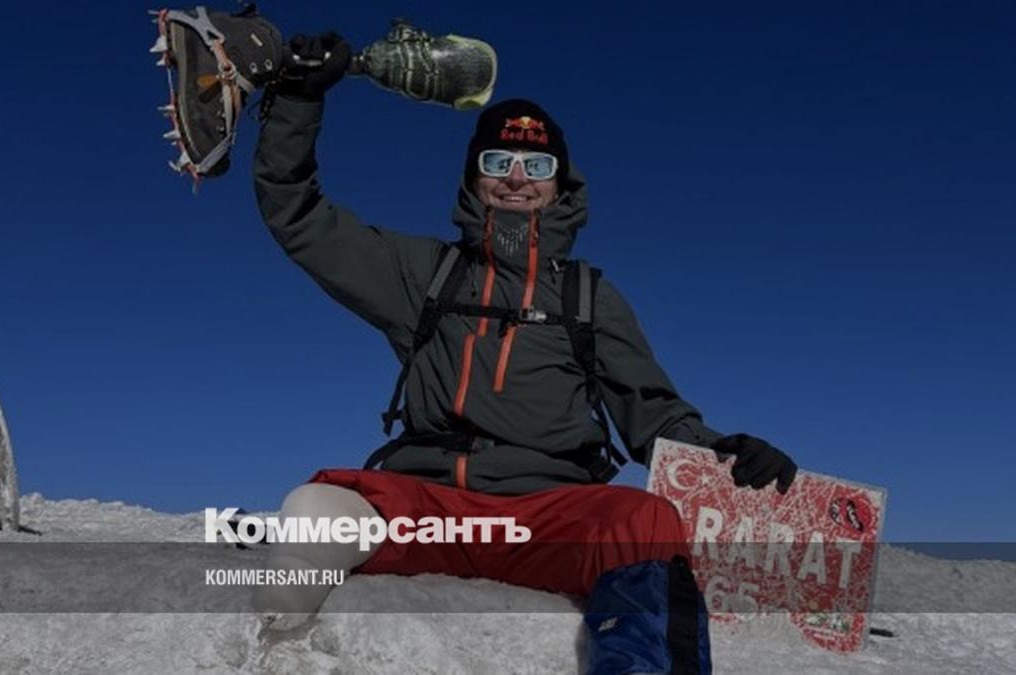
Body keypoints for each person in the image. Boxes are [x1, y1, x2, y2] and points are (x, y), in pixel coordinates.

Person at [251, 32, 797, 670]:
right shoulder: (423, 273)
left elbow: (652, 415)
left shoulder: (589, 297)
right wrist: (299, 100)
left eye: (536, 167)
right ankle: (275, 627)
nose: (516, 179)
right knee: (319, 505)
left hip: (548, 519)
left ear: (560, 184)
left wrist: (723, 453)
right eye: (498, 161)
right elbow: (298, 215)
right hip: (430, 507)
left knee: (643, 520)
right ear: (473, 176)